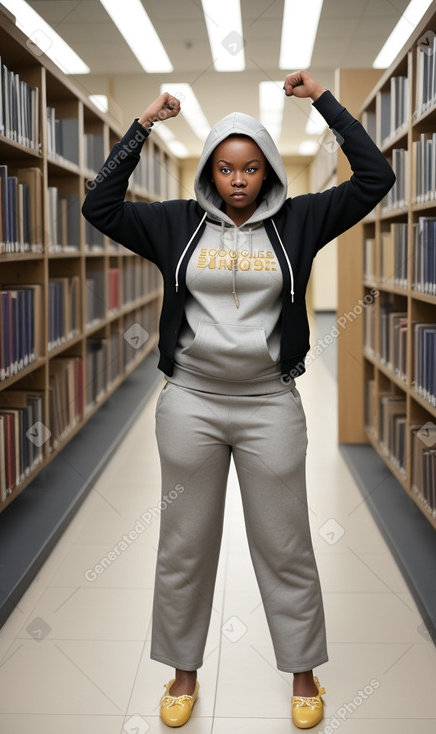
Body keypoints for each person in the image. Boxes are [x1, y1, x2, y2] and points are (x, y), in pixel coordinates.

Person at [82, 69, 395, 728]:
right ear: (209, 173)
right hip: (189, 401)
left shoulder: (301, 218)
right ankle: (181, 672)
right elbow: (99, 206)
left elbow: (374, 180)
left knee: (286, 545)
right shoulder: (174, 224)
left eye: (251, 168)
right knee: (184, 544)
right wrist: (141, 128)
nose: (238, 181)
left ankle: (304, 673)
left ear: (268, 171)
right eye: (225, 169)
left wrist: (323, 103)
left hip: (268, 403)